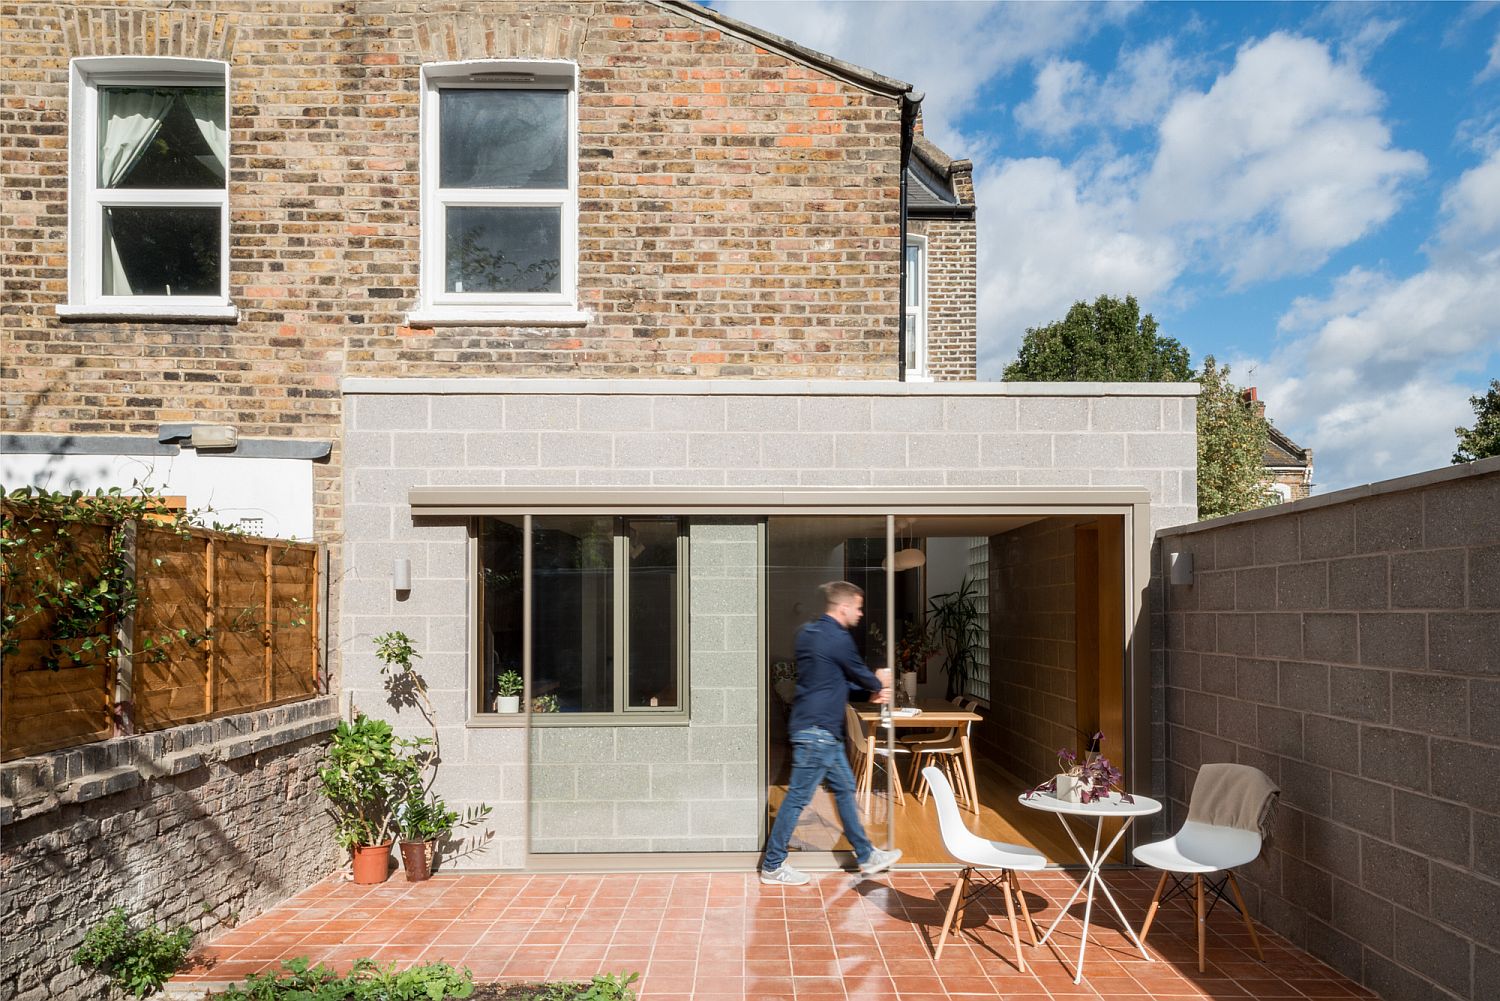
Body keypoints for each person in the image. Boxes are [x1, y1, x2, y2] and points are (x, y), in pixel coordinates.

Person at [761, 580, 902, 886]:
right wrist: (879, 682)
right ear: (844, 606)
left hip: (818, 730)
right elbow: (860, 674)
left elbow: (831, 681)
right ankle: (773, 865)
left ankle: (866, 854)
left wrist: (868, 692)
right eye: (858, 607)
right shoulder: (838, 637)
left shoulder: (809, 635)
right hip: (818, 733)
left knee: (844, 789)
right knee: (798, 798)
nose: (861, 613)